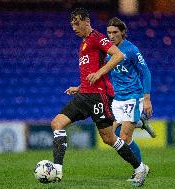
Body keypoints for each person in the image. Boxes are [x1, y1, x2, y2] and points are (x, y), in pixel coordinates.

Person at [50, 8, 148, 187]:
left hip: (98, 97)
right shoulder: (84, 43)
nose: (74, 27)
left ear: (87, 21)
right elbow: (91, 72)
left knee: (109, 138)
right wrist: (79, 87)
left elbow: (119, 55)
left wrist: (99, 72)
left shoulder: (97, 37)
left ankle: (140, 167)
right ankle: (57, 169)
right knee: (57, 123)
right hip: (83, 95)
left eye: (77, 23)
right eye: (72, 24)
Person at [106, 17, 156, 177]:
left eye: (115, 32)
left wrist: (147, 99)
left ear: (122, 33)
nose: (111, 36)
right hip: (117, 99)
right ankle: (141, 122)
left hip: (133, 97)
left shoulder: (132, 50)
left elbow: (146, 72)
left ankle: (140, 170)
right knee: (111, 137)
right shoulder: (108, 50)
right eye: (108, 33)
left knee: (124, 137)